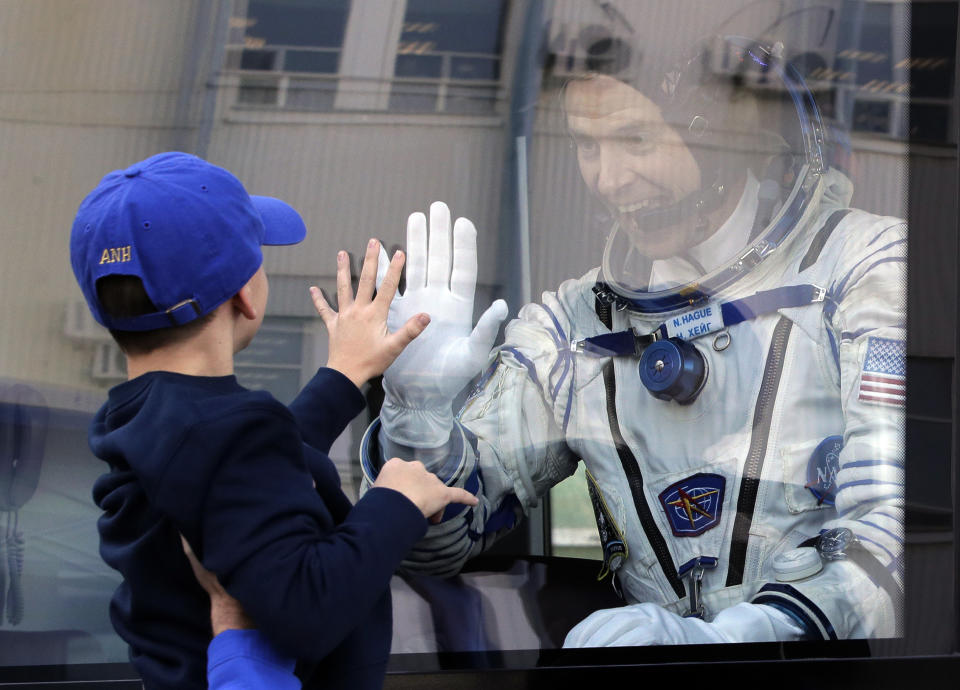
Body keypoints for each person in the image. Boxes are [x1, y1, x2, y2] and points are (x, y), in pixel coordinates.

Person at [362, 37, 904, 645]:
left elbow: (894, 529)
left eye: (635, 140)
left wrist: (744, 640)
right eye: (587, 147)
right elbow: (434, 548)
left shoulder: (864, 270)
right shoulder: (574, 326)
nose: (610, 179)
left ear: (723, 134)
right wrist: (419, 417)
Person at [69, 151, 477, 689]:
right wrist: (395, 501)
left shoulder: (138, 417)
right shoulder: (227, 432)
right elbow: (308, 607)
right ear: (245, 294)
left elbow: (241, 479)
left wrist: (343, 375)